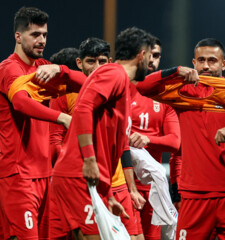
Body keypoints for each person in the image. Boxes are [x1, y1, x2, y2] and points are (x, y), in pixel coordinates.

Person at [136, 38, 225, 239]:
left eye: (212, 60)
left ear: (223, 64)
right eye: (201, 60)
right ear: (193, 63)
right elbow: (143, 87)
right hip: (194, 195)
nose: (206, 65)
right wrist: (176, 71)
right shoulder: (182, 90)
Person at [51, 27, 154, 239]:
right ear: (141, 55)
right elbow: (83, 109)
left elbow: (111, 146)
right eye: (150, 56)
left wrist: (107, 196)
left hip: (92, 182)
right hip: (78, 175)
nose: (151, 63)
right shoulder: (113, 73)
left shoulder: (121, 84)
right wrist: (89, 159)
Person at [0, 7, 85, 239]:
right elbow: (20, 103)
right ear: (18, 36)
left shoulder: (42, 67)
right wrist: (62, 117)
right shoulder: (10, 69)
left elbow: (87, 84)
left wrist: (61, 68)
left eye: (44, 35)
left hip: (44, 174)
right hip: (18, 177)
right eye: (35, 34)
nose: (41, 40)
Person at [49, 38, 114, 240]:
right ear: (79, 63)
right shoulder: (64, 94)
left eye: (102, 61)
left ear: (110, 62)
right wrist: (79, 164)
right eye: (90, 62)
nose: (96, 68)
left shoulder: (114, 90)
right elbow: (54, 142)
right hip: (78, 179)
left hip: (109, 182)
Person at [126, 36, 181, 240]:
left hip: (152, 191)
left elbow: (175, 142)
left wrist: (149, 139)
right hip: (121, 185)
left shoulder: (165, 99)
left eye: (156, 55)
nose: (152, 60)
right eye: (148, 55)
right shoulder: (121, 91)